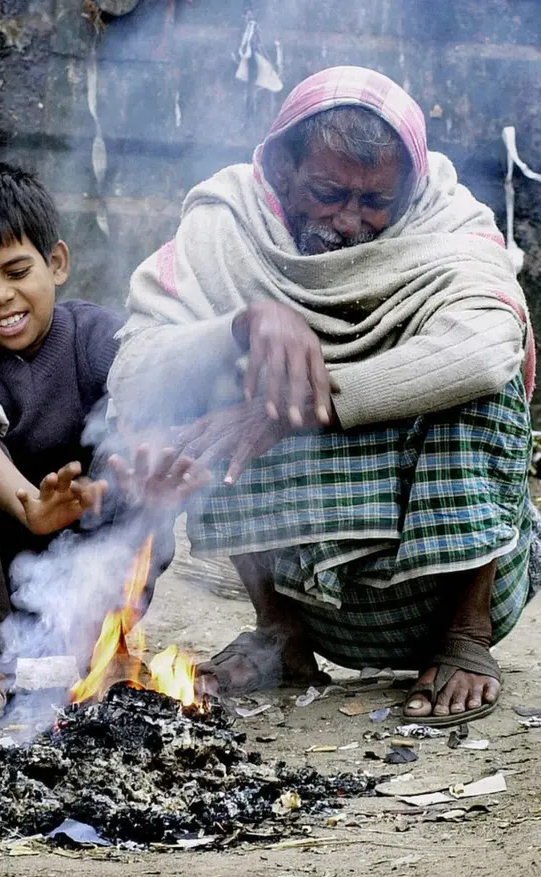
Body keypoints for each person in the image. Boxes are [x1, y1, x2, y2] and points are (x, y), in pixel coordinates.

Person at [108, 66, 537, 727]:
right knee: (212, 368)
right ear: (281, 167)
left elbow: (488, 348)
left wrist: (312, 405)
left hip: (441, 587)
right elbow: (134, 371)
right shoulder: (229, 224)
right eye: (328, 193)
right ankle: (279, 634)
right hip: (308, 594)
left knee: (489, 383)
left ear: (410, 187)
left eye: (374, 203)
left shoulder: (446, 220)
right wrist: (242, 326)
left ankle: (465, 638)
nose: (349, 222)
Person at [0, 164, 207, 724]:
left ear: (57, 263)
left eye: (16, 271)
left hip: (92, 544)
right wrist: (29, 503)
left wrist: (153, 459)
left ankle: (108, 640)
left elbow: (139, 398)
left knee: (133, 462)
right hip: (2, 549)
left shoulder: (98, 337)